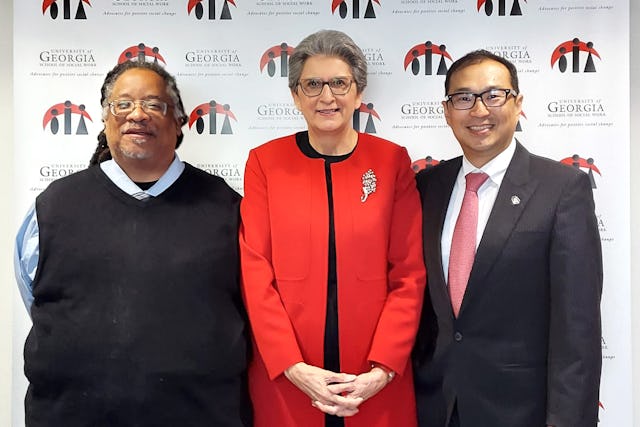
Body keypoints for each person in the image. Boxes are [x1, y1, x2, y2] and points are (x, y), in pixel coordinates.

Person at [14, 60, 252, 427]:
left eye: (154, 104)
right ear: (105, 119)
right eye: (122, 104)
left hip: (200, 414)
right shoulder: (54, 206)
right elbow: (33, 295)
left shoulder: (228, 209)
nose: (137, 115)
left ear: (179, 121)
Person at [239, 29, 426, 427]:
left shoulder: (391, 162)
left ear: (358, 93)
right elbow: (255, 273)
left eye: (339, 83)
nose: (327, 97)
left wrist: (384, 368)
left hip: (373, 378)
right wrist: (290, 364)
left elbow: (408, 273)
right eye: (313, 85)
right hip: (290, 376)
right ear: (295, 96)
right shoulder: (264, 163)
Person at [413, 49, 603, 427]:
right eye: (463, 98)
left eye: (493, 95)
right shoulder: (426, 186)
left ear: (517, 104)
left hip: (520, 412)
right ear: (447, 111)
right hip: (435, 406)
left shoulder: (563, 189)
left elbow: (577, 331)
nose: (479, 110)